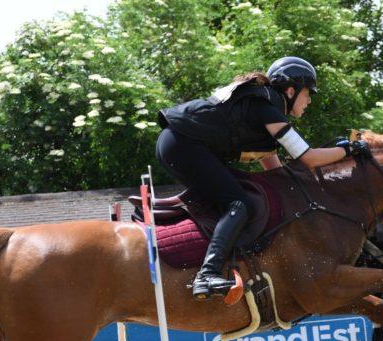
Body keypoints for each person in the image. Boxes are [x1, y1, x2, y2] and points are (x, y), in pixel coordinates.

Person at [156, 56, 371, 300]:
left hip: (180, 143)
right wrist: (350, 150)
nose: (309, 100)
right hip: (182, 144)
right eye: (308, 93)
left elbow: (276, 173)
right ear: (291, 90)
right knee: (239, 204)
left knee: (242, 197)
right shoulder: (268, 108)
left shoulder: (265, 108)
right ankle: (207, 274)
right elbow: (308, 157)